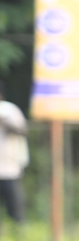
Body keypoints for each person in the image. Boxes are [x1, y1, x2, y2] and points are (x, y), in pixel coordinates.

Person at [0, 81, 29, 224]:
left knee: (15, 212)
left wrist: (5, 122)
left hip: (9, 169)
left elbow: (23, 131)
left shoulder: (9, 110)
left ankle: (17, 235)